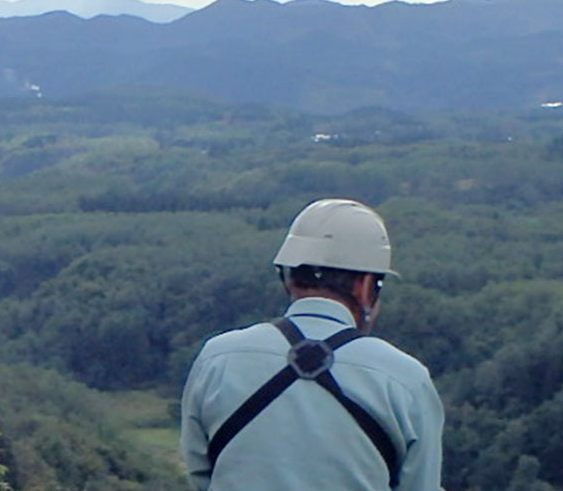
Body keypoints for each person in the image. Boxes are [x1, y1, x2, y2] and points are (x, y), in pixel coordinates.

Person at [178, 199, 443, 491]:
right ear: (366, 285)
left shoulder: (217, 357)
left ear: (289, 278)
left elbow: (201, 475)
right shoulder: (405, 379)